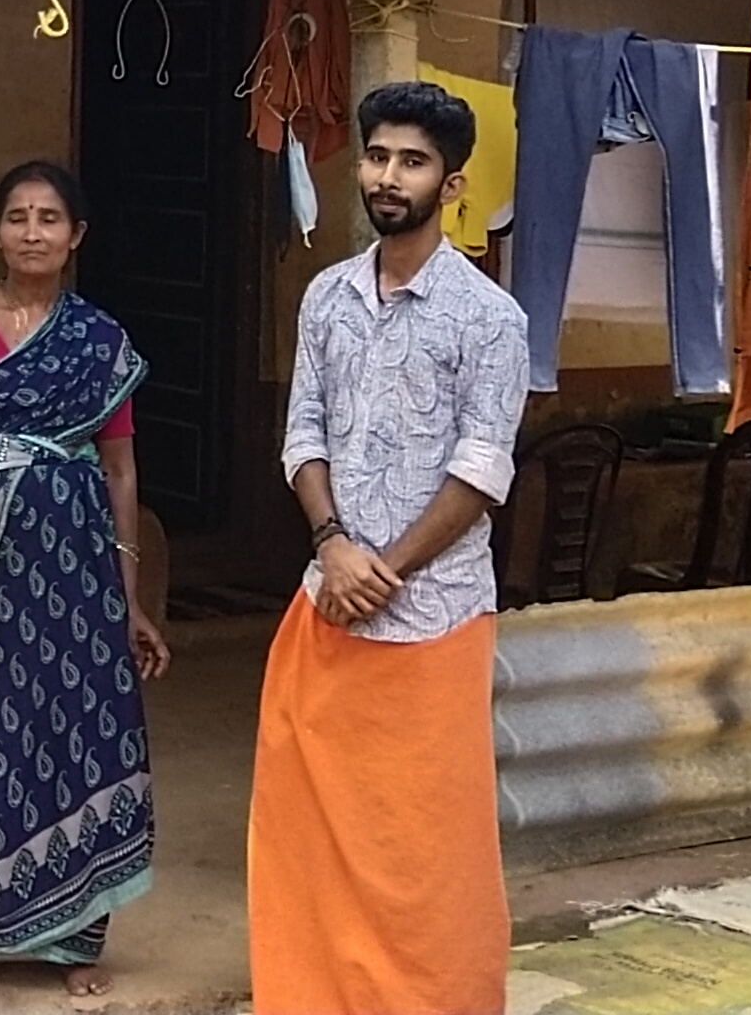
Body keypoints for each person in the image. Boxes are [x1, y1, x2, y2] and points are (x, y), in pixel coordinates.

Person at [247, 81, 529, 1013]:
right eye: (377, 155)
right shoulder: (326, 296)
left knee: (425, 849)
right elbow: (303, 435)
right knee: (311, 831)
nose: (387, 175)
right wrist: (332, 545)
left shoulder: (491, 319)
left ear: (451, 182)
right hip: (325, 604)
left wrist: (387, 568)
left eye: (412, 161)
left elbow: (482, 471)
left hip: (435, 618)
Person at [0, 159, 173, 1010]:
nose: (33, 231)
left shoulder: (99, 341)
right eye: (18, 217)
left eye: (50, 218)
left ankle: (76, 937)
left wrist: (130, 594)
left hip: (82, 572)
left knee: (82, 735)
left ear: (76, 236)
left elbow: (123, 469)